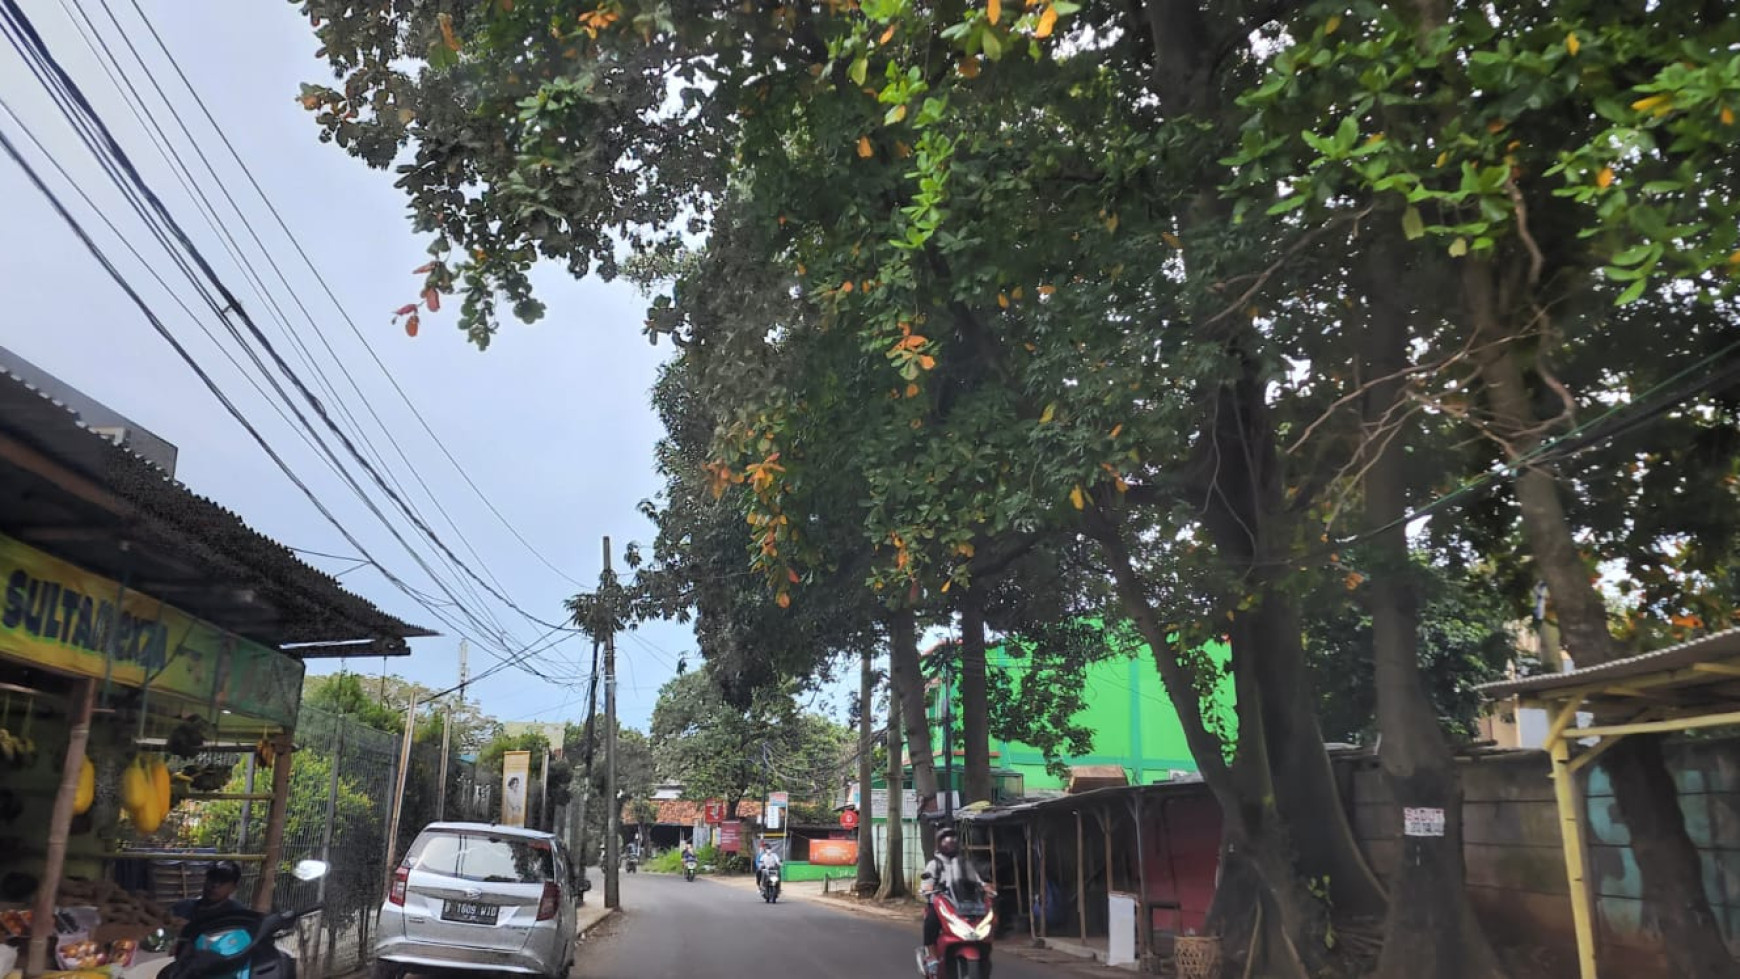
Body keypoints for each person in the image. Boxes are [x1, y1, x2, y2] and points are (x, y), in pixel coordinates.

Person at [919, 829, 989, 958]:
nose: (950, 845)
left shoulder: (964, 863)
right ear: (940, 844)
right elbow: (926, 882)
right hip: (940, 904)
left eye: (953, 842)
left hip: (962, 904)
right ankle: (932, 957)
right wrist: (928, 888)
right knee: (931, 923)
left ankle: (983, 952)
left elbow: (977, 880)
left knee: (984, 920)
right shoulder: (935, 864)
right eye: (946, 842)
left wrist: (986, 887)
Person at [170, 861, 247, 954]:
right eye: (212, 878)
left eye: (223, 881)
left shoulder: (238, 915)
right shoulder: (182, 907)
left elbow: (234, 948)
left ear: (233, 888)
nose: (215, 885)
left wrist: (191, 930)